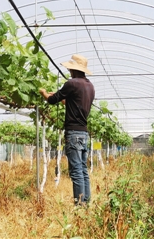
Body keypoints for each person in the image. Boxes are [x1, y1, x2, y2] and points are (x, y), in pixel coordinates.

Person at [39, 54, 95, 205]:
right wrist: (62, 98)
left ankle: (79, 205)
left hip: (73, 133)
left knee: (76, 171)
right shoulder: (90, 86)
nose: (69, 71)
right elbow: (74, 103)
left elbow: (52, 100)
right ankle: (86, 203)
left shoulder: (72, 83)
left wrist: (44, 93)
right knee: (83, 170)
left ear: (73, 69)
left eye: (70, 68)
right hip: (83, 132)